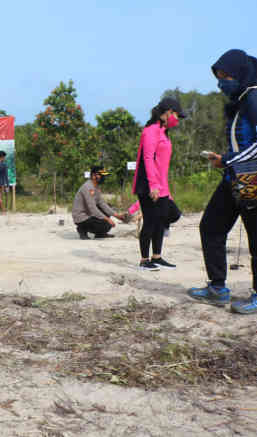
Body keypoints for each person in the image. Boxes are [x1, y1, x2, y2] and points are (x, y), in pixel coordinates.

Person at [189, 49, 257, 313]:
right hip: (234, 178)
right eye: (218, 77)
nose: (222, 82)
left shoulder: (253, 97)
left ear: (239, 72)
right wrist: (226, 159)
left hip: (252, 181)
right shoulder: (240, 101)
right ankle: (217, 288)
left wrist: (228, 160)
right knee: (211, 227)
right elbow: (242, 142)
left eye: (226, 75)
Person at [132, 97, 185, 271]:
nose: (177, 120)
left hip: (161, 185)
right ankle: (144, 260)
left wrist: (166, 190)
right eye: (176, 115)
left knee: (163, 220)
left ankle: (157, 257)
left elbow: (163, 166)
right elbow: (148, 158)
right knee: (150, 221)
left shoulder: (163, 132)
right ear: (168, 112)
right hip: (148, 184)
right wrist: (153, 185)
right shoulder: (151, 131)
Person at [72, 166, 126, 239]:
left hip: (89, 214)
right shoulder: (88, 187)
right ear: (94, 176)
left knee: (108, 207)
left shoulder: (96, 187)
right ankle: (82, 229)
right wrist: (107, 219)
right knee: (106, 225)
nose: (103, 177)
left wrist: (117, 215)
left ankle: (100, 234)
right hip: (81, 217)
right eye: (101, 175)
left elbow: (102, 203)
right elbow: (93, 209)